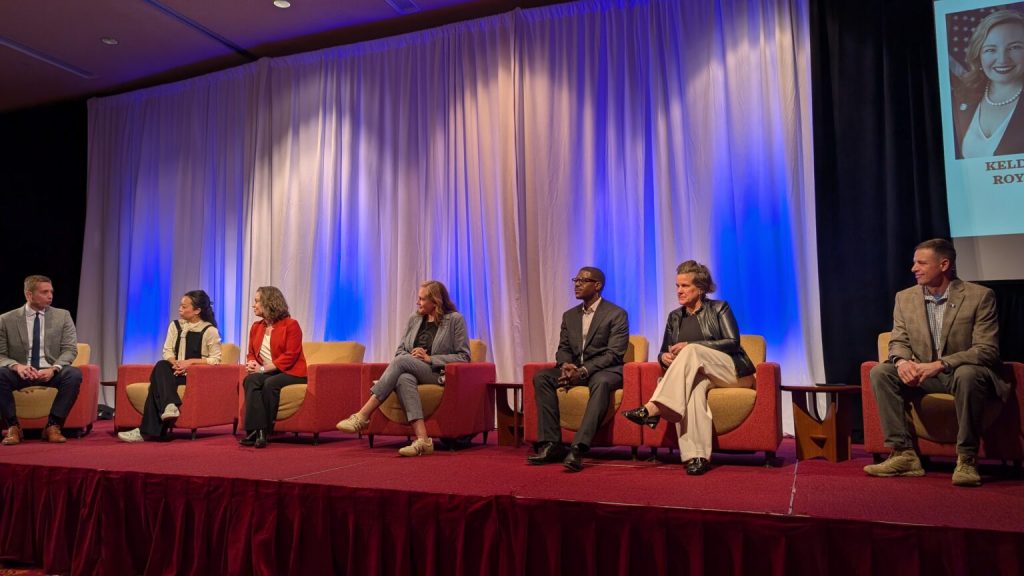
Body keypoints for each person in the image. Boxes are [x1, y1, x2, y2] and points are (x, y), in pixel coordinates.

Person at [865, 239, 1005, 487]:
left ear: (944, 264)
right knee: (881, 372)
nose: (913, 268)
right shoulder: (904, 298)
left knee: (968, 374)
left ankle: (967, 458)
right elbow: (898, 340)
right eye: (914, 262)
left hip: (961, 374)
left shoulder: (979, 296)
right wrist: (901, 362)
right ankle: (903, 454)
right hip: (924, 376)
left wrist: (940, 364)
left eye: (921, 263)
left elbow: (986, 350)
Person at [621, 261, 755, 476]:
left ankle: (654, 408)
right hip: (700, 375)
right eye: (677, 286)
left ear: (700, 288)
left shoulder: (720, 308)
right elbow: (663, 351)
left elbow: (733, 342)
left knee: (691, 351)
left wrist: (692, 346)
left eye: (685, 286)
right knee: (692, 391)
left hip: (732, 372)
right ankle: (697, 457)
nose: (679, 291)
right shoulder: (675, 317)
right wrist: (663, 357)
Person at [337, 280, 470, 457]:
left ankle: (363, 415)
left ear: (435, 301)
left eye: (422, 299)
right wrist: (411, 357)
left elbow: (464, 356)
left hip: (436, 373)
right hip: (412, 368)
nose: (418, 302)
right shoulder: (415, 319)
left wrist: (430, 358)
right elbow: (401, 350)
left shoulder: (454, 320)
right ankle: (423, 440)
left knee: (401, 362)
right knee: (402, 378)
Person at [527, 267, 629, 472]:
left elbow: (614, 354)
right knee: (542, 377)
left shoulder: (616, 314)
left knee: (600, 382)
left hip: (605, 370)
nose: (577, 284)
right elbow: (563, 348)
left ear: (597, 285)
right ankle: (552, 444)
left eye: (583, 280)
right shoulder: (569, 316)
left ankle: (578, 448)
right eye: (576, 280)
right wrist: (565, 366)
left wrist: (583, 371)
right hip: (575, 370)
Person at [117, 290, 222, 443]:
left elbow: (216, 360)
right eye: (180, 305)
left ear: (197, 311)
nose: (180, 309)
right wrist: (175, 363)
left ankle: (145, 432)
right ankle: (170, 405)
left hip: (194, 376)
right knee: (161, 365)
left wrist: (190, 363)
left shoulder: (209, 330)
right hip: (175, 371)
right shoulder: (175, 325)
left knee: (156, 386)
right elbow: (167, 351)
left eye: (184, 307)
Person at [0, 275, 84, 445]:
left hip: (50, 371)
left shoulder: (63, 316)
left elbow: (70, 349)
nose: (50, 296)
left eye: (51, 291)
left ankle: (53, 425)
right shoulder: (6, 319)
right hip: (21, 372)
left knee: (73, 374)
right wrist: (17, 366)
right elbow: (1, 354)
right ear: (29, 295)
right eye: (44, 292)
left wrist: (54, 368)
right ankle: (13, 427)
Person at [240, 286, 307, 449]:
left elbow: (290, 356)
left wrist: (262, 369)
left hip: (292, 372)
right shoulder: (256, 327)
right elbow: (251, 353)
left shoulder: (291, 325)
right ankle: (258, 430)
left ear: (269, 303)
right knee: (250, 380)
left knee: (270, 384)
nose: (253, 305)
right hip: (269, 371)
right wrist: (251, 363)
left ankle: (262, 431)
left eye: (256, 301)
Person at [953, 9, 1024, 158]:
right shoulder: (960, 98)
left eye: (1015, 47)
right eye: (991, 50)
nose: (1003, 59)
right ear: (978, 55)